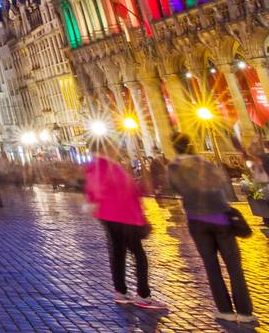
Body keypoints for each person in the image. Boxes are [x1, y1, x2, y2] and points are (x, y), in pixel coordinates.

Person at [169, 133, 254, 323]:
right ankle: (245, 311)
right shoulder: (205, 164)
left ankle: (224, 310)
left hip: (197, 220)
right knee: (234, 267)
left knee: (211, 266)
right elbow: (222, 185)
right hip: (220, 218)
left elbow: (175, 188)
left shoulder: (174, 168)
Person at [84, 149, 159, 309]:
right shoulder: (112, 167)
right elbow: (129, 190)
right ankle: (143, 295)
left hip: (107, 215)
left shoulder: (94, 167)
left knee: (118, 252)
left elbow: (93, 192)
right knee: (139, 255)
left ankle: (120, 290)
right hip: (124, 215)